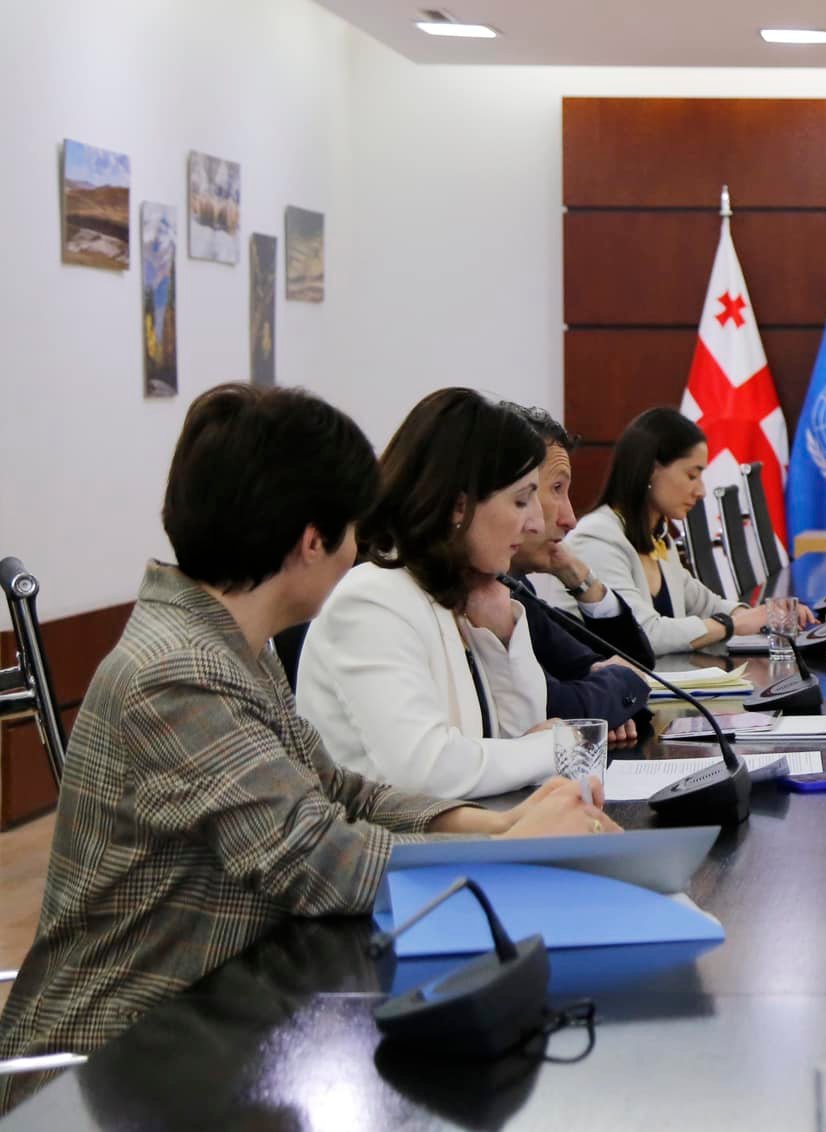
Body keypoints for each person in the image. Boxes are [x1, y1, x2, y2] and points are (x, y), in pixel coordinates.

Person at [0, 385, 614, 1109]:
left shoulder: (232, 644)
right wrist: (506, 854)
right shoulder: (178, 671)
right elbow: (316, 859)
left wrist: (496, 825)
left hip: (213, 1020)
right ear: (313, 541)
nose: (361, 548)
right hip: (113, 1061)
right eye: (352, 527)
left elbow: (337, 791)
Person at [297, 389, 561, 799]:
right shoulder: (371, 600)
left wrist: (503, 635)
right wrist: (553, 747)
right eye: (522, 500)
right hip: (388, 839)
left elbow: (515, 739)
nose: (536, 524)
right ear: (459, 506)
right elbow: (424, 771)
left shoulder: (453, 590)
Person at [567, 407, 809, 655]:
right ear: (651, 470)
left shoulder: (659, 537)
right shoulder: (597, 538)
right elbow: (643, 634)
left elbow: (705, 604)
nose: (701, 491)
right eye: (692, 475)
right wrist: (732, 625)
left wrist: (764, 615)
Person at [505, 405, 653, 744]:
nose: (570, 518)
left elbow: (636, 665)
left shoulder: (517, 586)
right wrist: (608, 700)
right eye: (556, 488)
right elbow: (557, 703)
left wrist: (579, 578)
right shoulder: (484, 594)